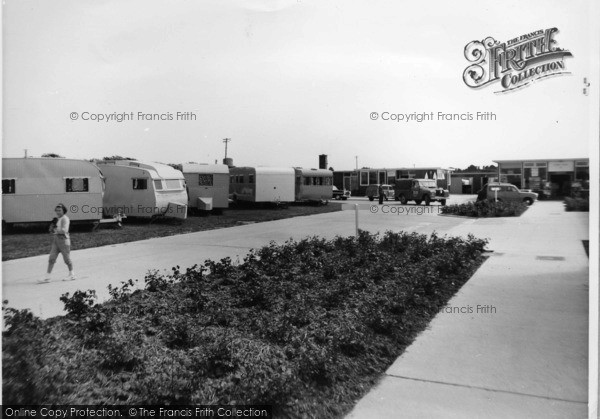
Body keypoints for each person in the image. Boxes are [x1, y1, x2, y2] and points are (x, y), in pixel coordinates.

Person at [39, 203, 75, 283]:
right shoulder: (57, 219)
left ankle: (71, 275)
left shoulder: (65, 219)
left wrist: (54, 229)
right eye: (57, 210)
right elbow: (53, 230)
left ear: (63, 210)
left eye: (60, 210)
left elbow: (64, 230)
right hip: (56, 241)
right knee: (51, 258)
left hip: (64, 241)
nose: (58, 212)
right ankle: (47, 277)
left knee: (67, 259)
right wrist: (51, 228)